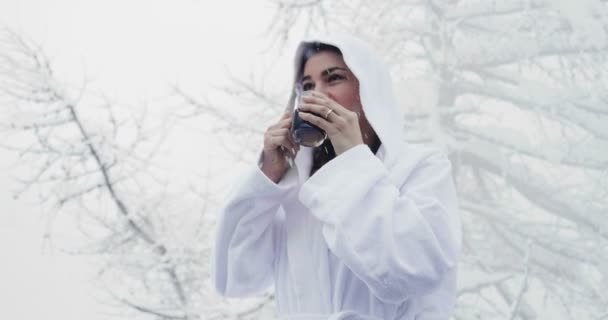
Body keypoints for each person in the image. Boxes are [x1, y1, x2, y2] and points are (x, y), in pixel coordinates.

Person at [212, 34, 462, 320]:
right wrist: (267, 176)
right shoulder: (297, 193)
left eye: (333, 79)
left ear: (369, 89)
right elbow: (234, 277)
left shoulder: (420, 168)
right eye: (307, 86)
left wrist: (352, 158)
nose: (317, 95)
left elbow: (409, 272)